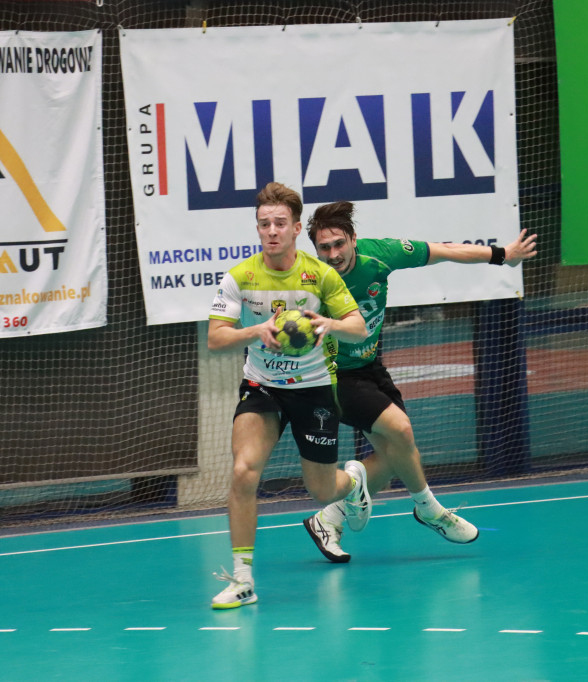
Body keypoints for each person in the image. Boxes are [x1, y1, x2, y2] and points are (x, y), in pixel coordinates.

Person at [302, 201, 537, 563]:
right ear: (315, 250)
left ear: (353, 239)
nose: (333, 254)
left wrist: (502, 254)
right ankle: (429, 509)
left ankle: (328, 519)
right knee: (402, 430)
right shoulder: (311, 280)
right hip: (331, 375)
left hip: (370, 366)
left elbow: (444, 250)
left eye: (339, 244)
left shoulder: (380, 256)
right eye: (324, 247)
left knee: (397, 455)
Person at [207, 183, 369, 609]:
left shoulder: (321, 275)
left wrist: (329, 325)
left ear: (297, 228)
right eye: (264, 224)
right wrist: (254, 331)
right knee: (244, 471)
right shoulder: (240, 277)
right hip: (263, 388)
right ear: (257, 228)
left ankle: (353, 484)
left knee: (321, 491)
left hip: (314, 389)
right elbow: (216, 338)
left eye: (280, 223)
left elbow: (359, 326)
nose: (272, 231)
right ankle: (242, 580)